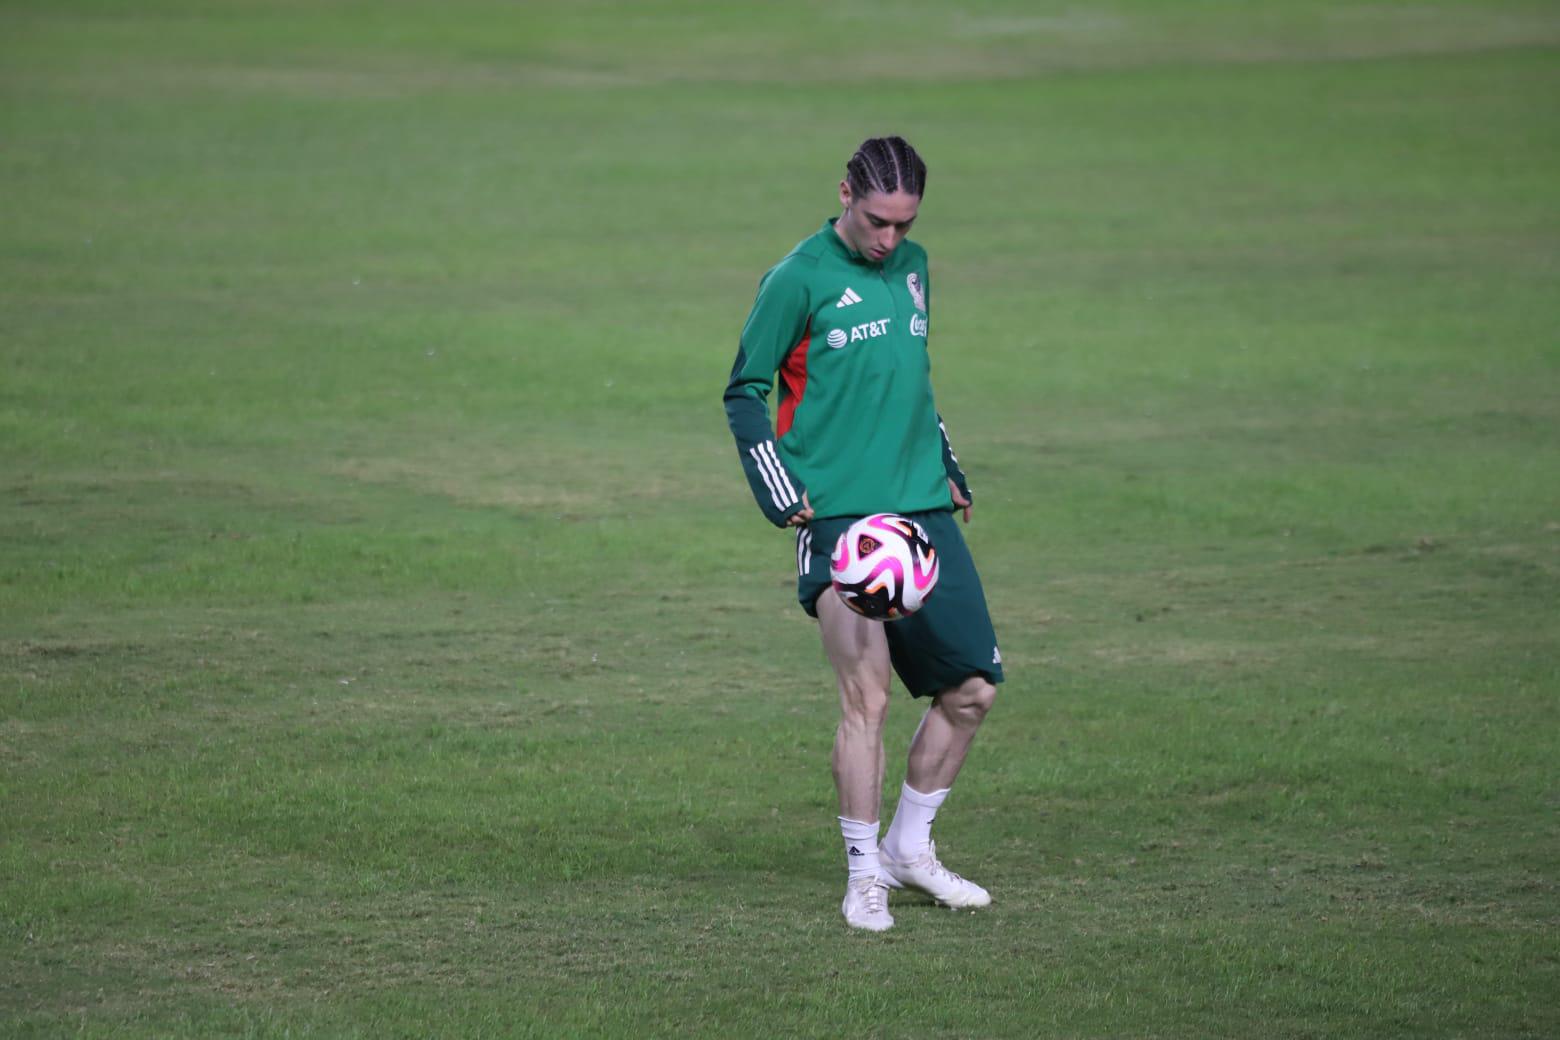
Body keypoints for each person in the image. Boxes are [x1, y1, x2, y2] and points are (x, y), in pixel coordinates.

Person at [723, 136, 1004, 931]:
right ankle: (861, 877)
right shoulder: (798, 279)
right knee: (869, 697)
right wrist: (782, 493)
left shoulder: (913, 268)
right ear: (846, 193)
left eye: (904, 224)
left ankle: (909, 851)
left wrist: (946, 464)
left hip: (921, 510)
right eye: (878, 221)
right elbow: (745, 389)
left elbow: (910, 377)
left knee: (973, 689)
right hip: (842, 517)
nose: (889, 238)